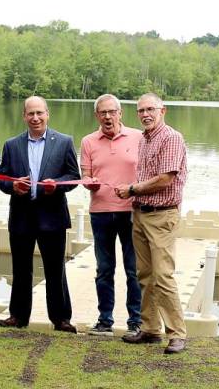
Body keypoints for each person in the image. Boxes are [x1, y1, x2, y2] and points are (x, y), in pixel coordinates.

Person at [0, 96, 80, 333]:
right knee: (20, 269)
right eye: (30, 114)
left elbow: (73, 177)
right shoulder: (12, 145)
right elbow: (2, 179)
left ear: (47, 114)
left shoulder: (64, 142)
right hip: (21, 216)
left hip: (52, 215)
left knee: (55, 269)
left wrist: (58, 185)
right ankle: (18, 316)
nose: (35, 118)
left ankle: (61, 318)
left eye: (39, 113)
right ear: (24, 116)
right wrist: (13, 186)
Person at [115, 93, 188, 354]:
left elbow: (165, 179)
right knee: (144, 275)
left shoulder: (171, 138)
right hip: (141, 214)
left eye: (150, 109)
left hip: (162, 215)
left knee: (163, 276)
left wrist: (132, 189)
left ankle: (177, 334)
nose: (145, 114)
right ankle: (150, 329)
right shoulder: (145, 139)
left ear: (163, 111)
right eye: (141, 111)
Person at [80, 94, 142, 337]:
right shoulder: (88, 141)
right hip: (101, 213)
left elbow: (147, 171)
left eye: (111, 112)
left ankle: (136, 321)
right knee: (104, 269)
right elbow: (86, 175)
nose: (107, 117)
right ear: (97, 115)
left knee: (133, 269)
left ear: (120, 113)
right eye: (102, 113)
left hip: (130, 212)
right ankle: (105, 321)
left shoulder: (138, 137)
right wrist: (89, 183)